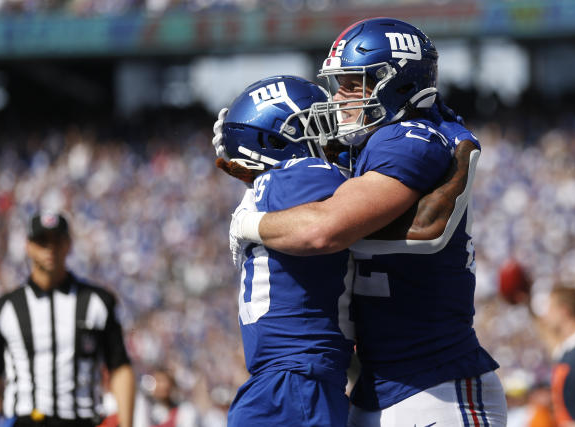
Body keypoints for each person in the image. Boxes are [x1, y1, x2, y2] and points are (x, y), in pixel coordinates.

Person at [226, 17, 506, 426]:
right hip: (379, 386)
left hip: (436, 383)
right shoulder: (371, 146)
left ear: (399, 83)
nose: (338, 98)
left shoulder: (408, 138)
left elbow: (326, 228)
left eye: (352, 84)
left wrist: (250, 223)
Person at [214, 75, 356, 426]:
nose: (332, 133)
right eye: (316, 122)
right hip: (298, 383)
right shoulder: (304, 174)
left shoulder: (271, 187)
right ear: (275, 137)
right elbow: (370, 199)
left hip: (278, 383)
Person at [0, 212, 135, 427]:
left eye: (57, 241)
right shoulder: (5, 309)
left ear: (68, 245)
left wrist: (127, 423)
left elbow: (120, 367)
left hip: (81, 419)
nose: (50, 249)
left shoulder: (97, 302)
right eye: (42, 241)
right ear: (28, 246)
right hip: (26, 421)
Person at [535, 286, 575, 426]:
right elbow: (547, 336)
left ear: (564, 310)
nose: (546, 315)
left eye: (550, 308)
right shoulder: (565, 349)